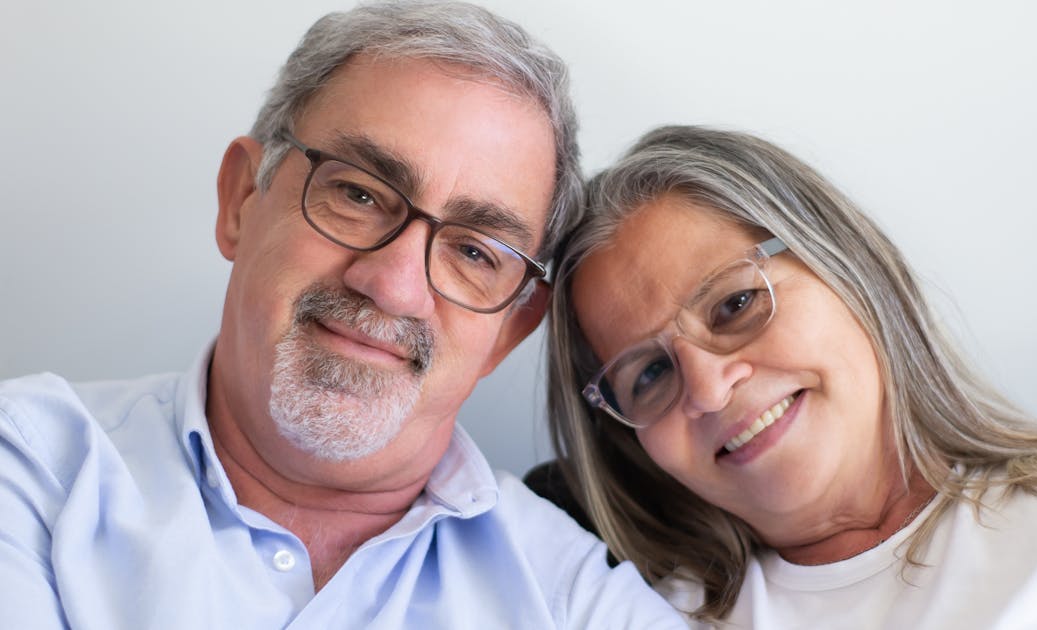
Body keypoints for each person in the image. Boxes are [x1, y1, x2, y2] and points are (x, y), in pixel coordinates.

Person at [0, 3, 685, 628]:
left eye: (474, 252)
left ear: (510, 326)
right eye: (358, 194)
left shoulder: (578, 602)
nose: (393, 287)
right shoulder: (32, 472)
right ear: (241, 200)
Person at [543, 124, 1037, 628]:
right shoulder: (641, 614)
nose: (710, 389)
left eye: (735, 304)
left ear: (846, 266)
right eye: (651, 373)